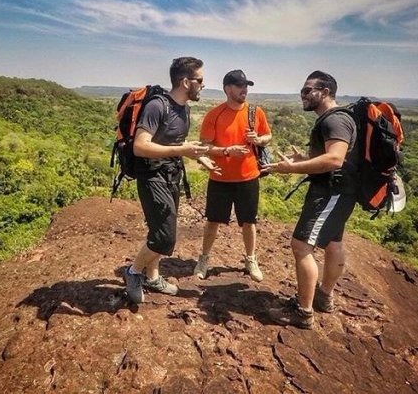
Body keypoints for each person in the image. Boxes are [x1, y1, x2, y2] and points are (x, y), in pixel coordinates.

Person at [263, 70, 359, 329]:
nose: (302, 95)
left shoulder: (334, 121)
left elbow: (335, 159)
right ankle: (324, 297)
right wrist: (304, 162)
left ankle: (303, 312)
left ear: (325, 92)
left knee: (301, 246)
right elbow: (334, 158)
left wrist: (291, 169)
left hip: (331, 191)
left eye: (307, 91)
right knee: (333, 243)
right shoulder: (337, 118)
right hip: (340, 191)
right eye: (302, 91)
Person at [123, 57, 218, 304]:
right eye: (200, 80)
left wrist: (198, 158)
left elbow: (175, 145)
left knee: (158, 230)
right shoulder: (157, 106)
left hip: (171, 175)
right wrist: (182, 150)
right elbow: (141, 147)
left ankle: (152, 277)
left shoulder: (184, 109)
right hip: (152, 176)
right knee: (165, 237)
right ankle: (133, 272)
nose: (202, 85)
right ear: (186, 82)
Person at [193, 69, 272, 282]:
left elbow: (268, 136)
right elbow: (204, 148)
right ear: (228, 89)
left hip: (249, 177)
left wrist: (258, 140)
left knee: (249, 221)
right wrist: (228, 151)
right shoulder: (214, 114)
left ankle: (250, 259)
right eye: (240, 86)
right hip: (220, 178)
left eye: (246, 86)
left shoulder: (255, 112)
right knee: (213, 221)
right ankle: (204, 259)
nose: (244, 90)